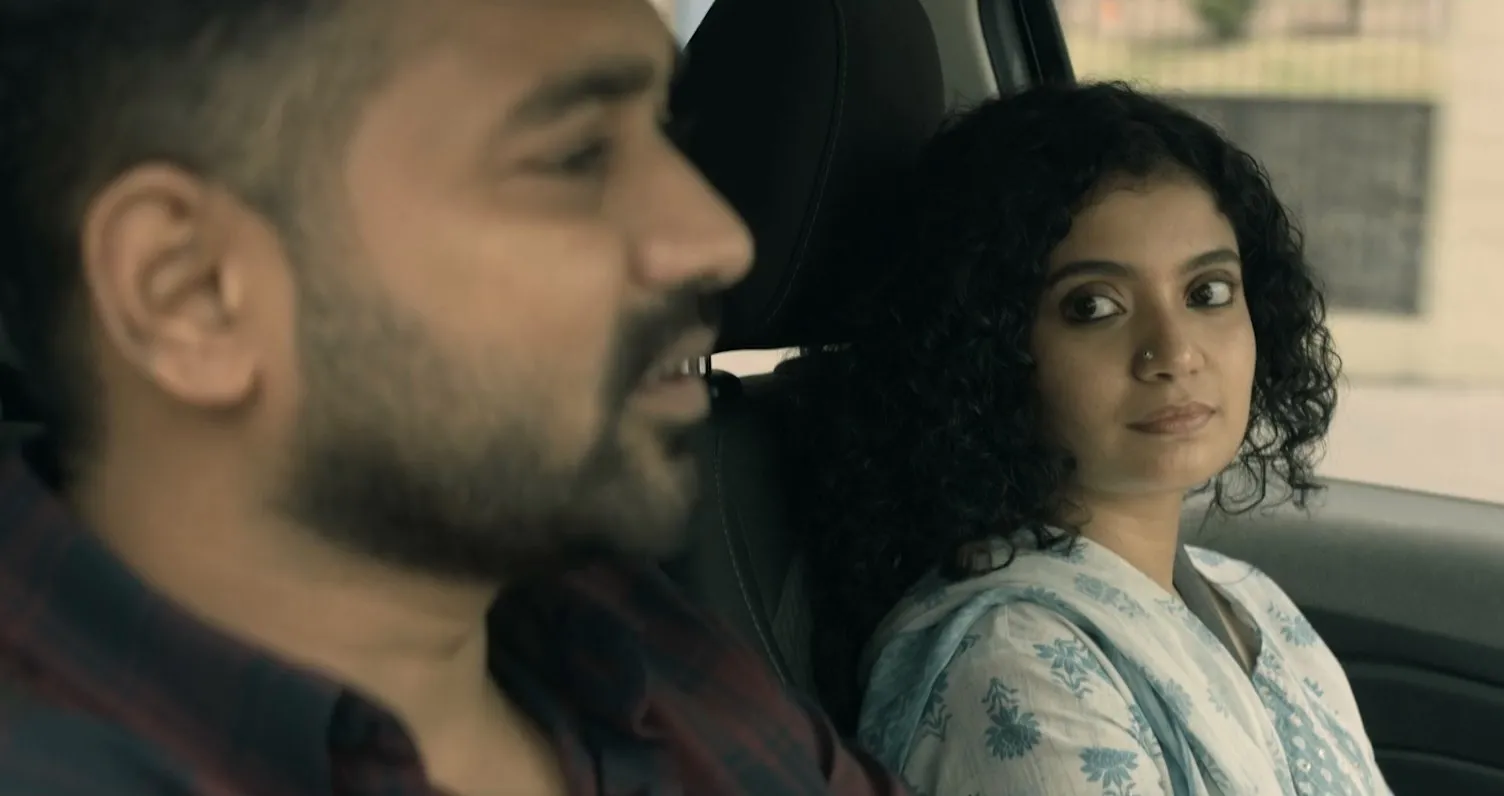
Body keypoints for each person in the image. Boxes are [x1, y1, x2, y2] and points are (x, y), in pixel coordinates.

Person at [0, 1, 901, 794]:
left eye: (668, 132)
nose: (718, 239)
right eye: (575, 156)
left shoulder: (621, 634)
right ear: (192, 291)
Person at [780, 82, 1392, 795]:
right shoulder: (1014, 667)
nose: (1174, 352)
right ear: (990, 351)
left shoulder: (1254, 606)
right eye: (1094, 306)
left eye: (1207, 293)